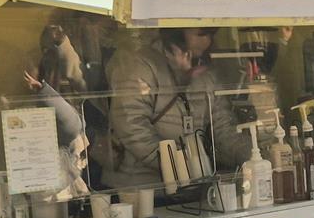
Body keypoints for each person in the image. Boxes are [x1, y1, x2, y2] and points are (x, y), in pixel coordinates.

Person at [103, 26, 243, 189]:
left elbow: (223, 127)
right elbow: (131, 127)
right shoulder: (141, 65)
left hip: (189, 183)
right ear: (177, 33)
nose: (207, 41)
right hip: (140, 185)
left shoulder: (206, 73)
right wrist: (179, 166)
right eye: (201, 34)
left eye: (211, 35)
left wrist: (250, 155)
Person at [22, 25, 91, 203]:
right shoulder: (25, 98)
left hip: (64, 163)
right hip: (44, 169)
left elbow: (72, 125)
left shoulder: (63, 74)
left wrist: (43, 91)